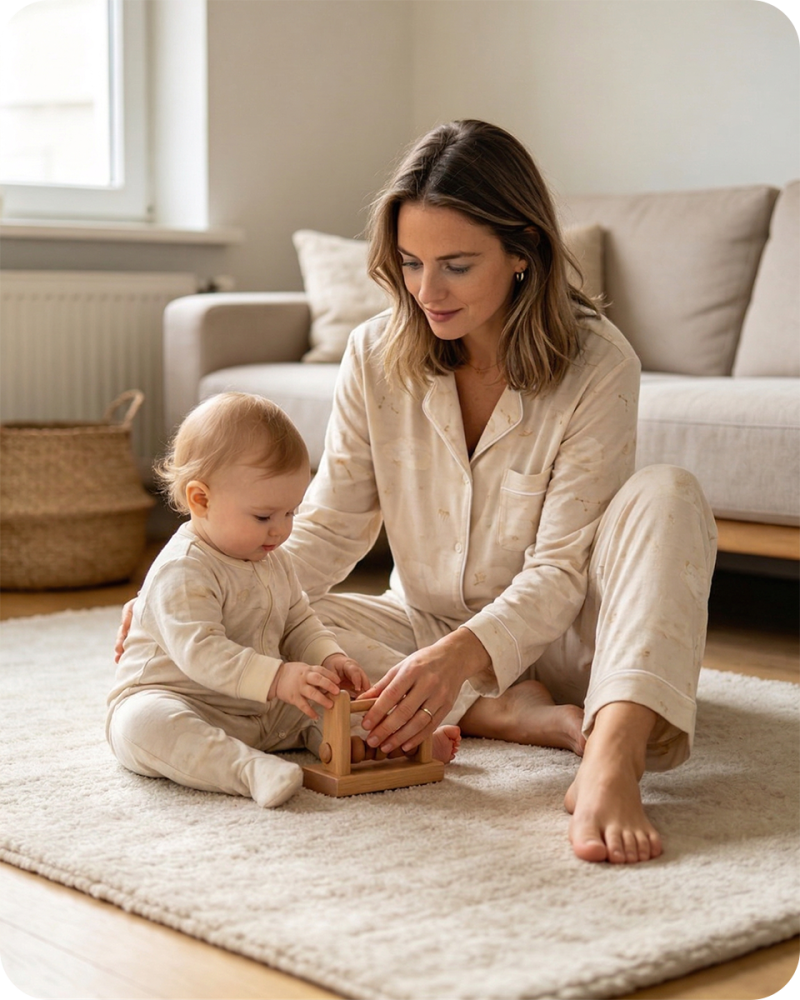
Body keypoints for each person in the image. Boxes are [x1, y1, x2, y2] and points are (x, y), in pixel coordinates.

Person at [117, 121, 716, 860]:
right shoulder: (376, 353)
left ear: (522, 252)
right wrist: (200, 585)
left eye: (457, 265)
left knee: (670, 494)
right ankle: (501, 713)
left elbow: (561, 569)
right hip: (418, 630)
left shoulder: (599, 363)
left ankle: (612, 754)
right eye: (410, 262)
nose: (427, 291)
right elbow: (331, 528)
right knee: (294, 634)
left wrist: (461, 658)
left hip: (570, 637)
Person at [107, 392, 462, 808]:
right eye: (263, 517)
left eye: (291, 513)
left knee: (323, 704)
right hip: (186, 701)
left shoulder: (271, 559)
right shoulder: (183, 569)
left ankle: (388, 743)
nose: (280, 531)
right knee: (143, 725)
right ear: (200, 499)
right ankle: (247, 770)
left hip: (260, 709)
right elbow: (201, 653)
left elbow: (299, 622)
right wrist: (278, 678)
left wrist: (330, 657)